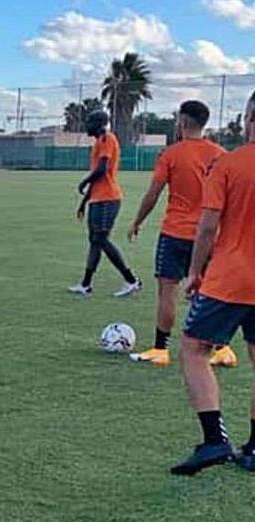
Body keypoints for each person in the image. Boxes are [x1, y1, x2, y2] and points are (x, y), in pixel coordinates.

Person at [168, 89, 255, 476]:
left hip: (230, 278)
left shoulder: (228, 164)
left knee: (193, 349)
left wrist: (194, 273)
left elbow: (207, 227)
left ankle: (214, 440)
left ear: (249, 118)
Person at [127, 100, 236, 368]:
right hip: (210, 236)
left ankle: (161, 349)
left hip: (175, 233)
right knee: (210, 293)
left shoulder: (171, 154)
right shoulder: (221, 155)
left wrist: (137, 221)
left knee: (168, 291)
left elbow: (153, 193)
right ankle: (221, 349)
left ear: (183, 123)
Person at [70, 111, 141, 298]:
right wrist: (84, 202)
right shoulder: (98, 142)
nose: (87, 126)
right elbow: (97, 176)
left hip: (108, 199)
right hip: (98, 199)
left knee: (100, 239)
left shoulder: (106, 139)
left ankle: (131, 280)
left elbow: (102, 170)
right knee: (94, 240)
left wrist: (84, 182)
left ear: (100, 123)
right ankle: (86, 284)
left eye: (89, 122)